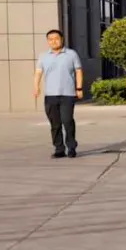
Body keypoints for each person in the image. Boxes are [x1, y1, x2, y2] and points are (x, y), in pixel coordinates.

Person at [33, 29, 83, 158]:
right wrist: (36, 87)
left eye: (56, 38)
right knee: (55, 124)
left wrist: (79, 88)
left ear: (62, 39)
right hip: (50, 95)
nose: (53, 41)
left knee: (67, 121)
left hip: (68, 94)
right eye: (50, 39)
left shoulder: (71, 54)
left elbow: (78, 71)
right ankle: (59, 149)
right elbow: (38, 72)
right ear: (47, 41)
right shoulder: (43, 56)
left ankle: (71, 147)